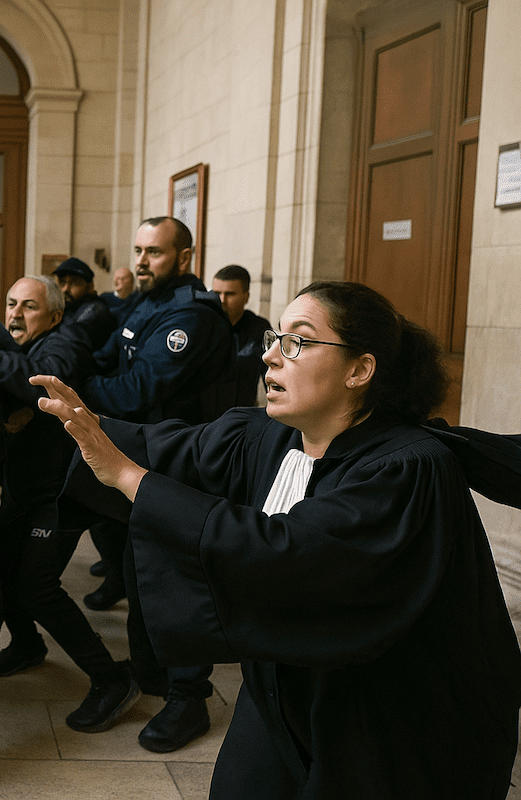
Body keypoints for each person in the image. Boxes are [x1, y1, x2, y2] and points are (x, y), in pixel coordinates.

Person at [33, 280, 521, 799]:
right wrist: (90, 429)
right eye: (274, 337)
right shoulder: (272, 433)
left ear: (360, 370)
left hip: (390, 712)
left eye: (297, 341)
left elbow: (290, 553)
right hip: (284, 685)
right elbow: (173, 449)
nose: (269, 355)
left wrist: (131, 479)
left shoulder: (409, 468)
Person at [79, 216, 236, 752]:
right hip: (148, 458)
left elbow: (134, 391)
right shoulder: (149, 302)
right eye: (139, 250)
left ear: (185, 257)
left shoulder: (190, 316)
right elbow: (108, 358)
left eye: (156, 252)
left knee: (177, 580)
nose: (142, 261)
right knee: (138, 569)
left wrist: (73, 383)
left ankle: (189, 697)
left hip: (186, 465)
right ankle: (152, 673)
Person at [0, 276, 143, 734]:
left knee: (37, 586)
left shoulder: (65, 341)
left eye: (28, 306)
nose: (15, 313)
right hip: (23, 490)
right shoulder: (23, 343)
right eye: (11, 303)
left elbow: (45, 375)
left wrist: (23, 397)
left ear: (54, 316)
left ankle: (111, 680)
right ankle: (28, 644)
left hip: (58, 495)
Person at [212, 264, 273, 407]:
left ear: (246, 297)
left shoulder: (258, 328)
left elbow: (272, 374)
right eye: (217, 293)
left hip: (243, 412)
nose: (222, 300)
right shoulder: (204, 324)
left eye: (230, 294)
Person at [52, 256, 114, 347]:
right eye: (62, 282)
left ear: (90, 287)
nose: (65, 289)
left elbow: (69, 342)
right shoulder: (69, 308)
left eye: (74, 283)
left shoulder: (95, 310)